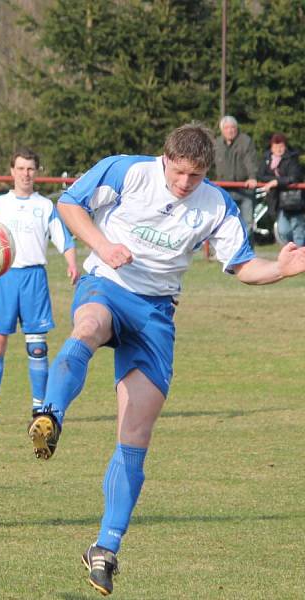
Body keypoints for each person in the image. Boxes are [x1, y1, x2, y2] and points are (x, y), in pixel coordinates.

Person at [26, 123, 305, 596]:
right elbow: (69, 205)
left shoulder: (215, 205)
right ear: (165, 159)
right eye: (178, 174)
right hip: (107, 285)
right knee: (88, 327)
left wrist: (279, 268)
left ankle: (104, 550)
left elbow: (240, 266)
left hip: (156, 314)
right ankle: (49, 415)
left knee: (135, 434)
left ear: (205, 172)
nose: (184, 185)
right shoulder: (126, 171)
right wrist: (103, 246)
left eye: (194, 177)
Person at [0, 148, 79, 426]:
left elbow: (64, 239)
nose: (25, 173)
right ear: (12, 171)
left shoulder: (46, 206)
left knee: (37, 348)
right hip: (4, 278)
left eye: (30, 168)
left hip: (34, 278)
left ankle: (39, 407)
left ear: (37, 171)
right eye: (21, 168)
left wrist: (72, 263)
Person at [214, 115, 259, 243]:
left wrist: (252, 177)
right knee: (224, 224)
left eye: (233, 127)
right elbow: (208, 163)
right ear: (222, 130)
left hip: (244, 190)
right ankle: (228, 254)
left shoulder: (245, 141)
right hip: (224, 191)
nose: (230, 130)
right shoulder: (216, 144)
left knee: (247, 224)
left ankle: (248, 255)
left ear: (237, 128)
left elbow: (250, 161)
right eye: (227, 128)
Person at [257, 132, 304, 246]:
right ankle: (293, 252)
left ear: (285, 146)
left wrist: (276, 182)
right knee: (283, 230)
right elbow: (260, 175)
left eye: (281, 146)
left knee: (298, 229)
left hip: (295, 200)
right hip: (277, 201)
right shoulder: (267, 159)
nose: (278, 149)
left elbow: (294, 177)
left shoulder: (292, 158)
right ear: (272, 147)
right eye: (276, 146)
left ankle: (300, 258)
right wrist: (275, 181)